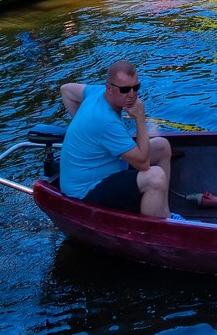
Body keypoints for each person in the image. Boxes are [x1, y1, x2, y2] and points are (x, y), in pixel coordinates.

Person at [58, 60, 180, 219]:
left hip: (104, 170)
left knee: (162, 146)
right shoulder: (106, 122)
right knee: (155, 177)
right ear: (109, 88)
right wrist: (140, 118)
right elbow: (142, 164)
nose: (131, 95)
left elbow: (66, 90)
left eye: (135, 88)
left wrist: (83, 128)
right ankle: (155, 231)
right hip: (85, 192)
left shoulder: (96, 92)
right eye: (124, 90)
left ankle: (165, 214)